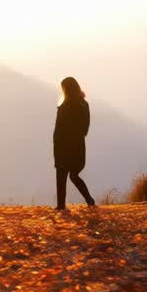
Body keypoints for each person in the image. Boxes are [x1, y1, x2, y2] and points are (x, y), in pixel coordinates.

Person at [53, 76, 96, 210]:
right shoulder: (84, 104)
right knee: (73, 175)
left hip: (64, 145)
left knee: (62, 175)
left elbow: (58, 128)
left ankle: (61, 205)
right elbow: (85, 128)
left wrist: (58, 141)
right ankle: (89, 200)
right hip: (77, 146)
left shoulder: (65, 106)